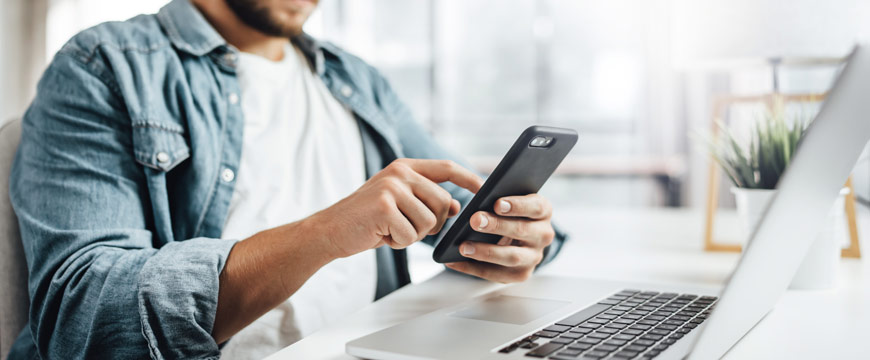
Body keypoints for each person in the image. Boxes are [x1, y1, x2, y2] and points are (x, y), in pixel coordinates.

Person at [8, 0, 567, 358]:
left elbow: (463, 209)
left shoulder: (352, 78)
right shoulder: (105, 64)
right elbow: (81, 317)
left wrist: (516, 236)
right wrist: (325, 232)